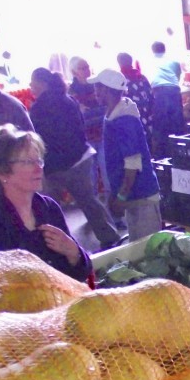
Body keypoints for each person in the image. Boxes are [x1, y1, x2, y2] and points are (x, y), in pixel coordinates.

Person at [0, 125, 92, 281]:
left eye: (39, 160)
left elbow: (76, 278)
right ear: (1, 171)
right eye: (28, 162)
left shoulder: (49, 209)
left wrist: (74, 253)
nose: (38, 169)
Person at [27, 67, 121, 251]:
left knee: (51, 209)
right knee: (89, 202)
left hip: (55, 165)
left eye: (33, 84)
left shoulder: (38, 108)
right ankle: (111, 238)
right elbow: (80, 128)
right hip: (79, 159)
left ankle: (59, 247)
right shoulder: (67, 100)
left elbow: (39, 138)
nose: (31, 88)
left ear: (42, 84)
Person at [88, 68, 162, 242]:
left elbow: (132, 164)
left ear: (107, 89)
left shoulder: (124, 120)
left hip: (142, 194)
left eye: (98, 88)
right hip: (132, 195)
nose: (95, 92)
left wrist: (121, 196)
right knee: (137, 245)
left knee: (148, 248)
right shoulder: (115, 114)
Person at [148, 40, 185, 158]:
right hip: (174, 90)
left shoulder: (149, 61)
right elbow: (178, 76)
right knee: (177, 123)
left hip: (159, 92)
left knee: (161, 125)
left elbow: (150, 79)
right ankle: (180, 153)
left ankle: (163, 156)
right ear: (164, 49)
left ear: (153, 50)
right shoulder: (173, 61)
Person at [117, 52, 155, 146]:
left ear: (119, 63)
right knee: (148, 145)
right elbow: (151, 96)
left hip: (132, 119)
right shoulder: (141, 77)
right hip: (147, 116)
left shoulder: (120, 80)